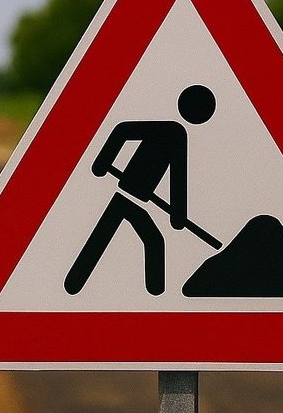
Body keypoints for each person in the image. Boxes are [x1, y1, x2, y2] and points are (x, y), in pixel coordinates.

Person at [64, 84, 216, 296]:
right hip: (128, 195)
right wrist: (102, 162)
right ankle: (156, 296)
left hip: (131, 199)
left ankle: (74, 285)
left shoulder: (174, 133)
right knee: (148, 240)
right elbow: (123, 131)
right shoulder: (173, 133)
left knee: (121, 237)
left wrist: (177, 215)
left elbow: (176, 178)